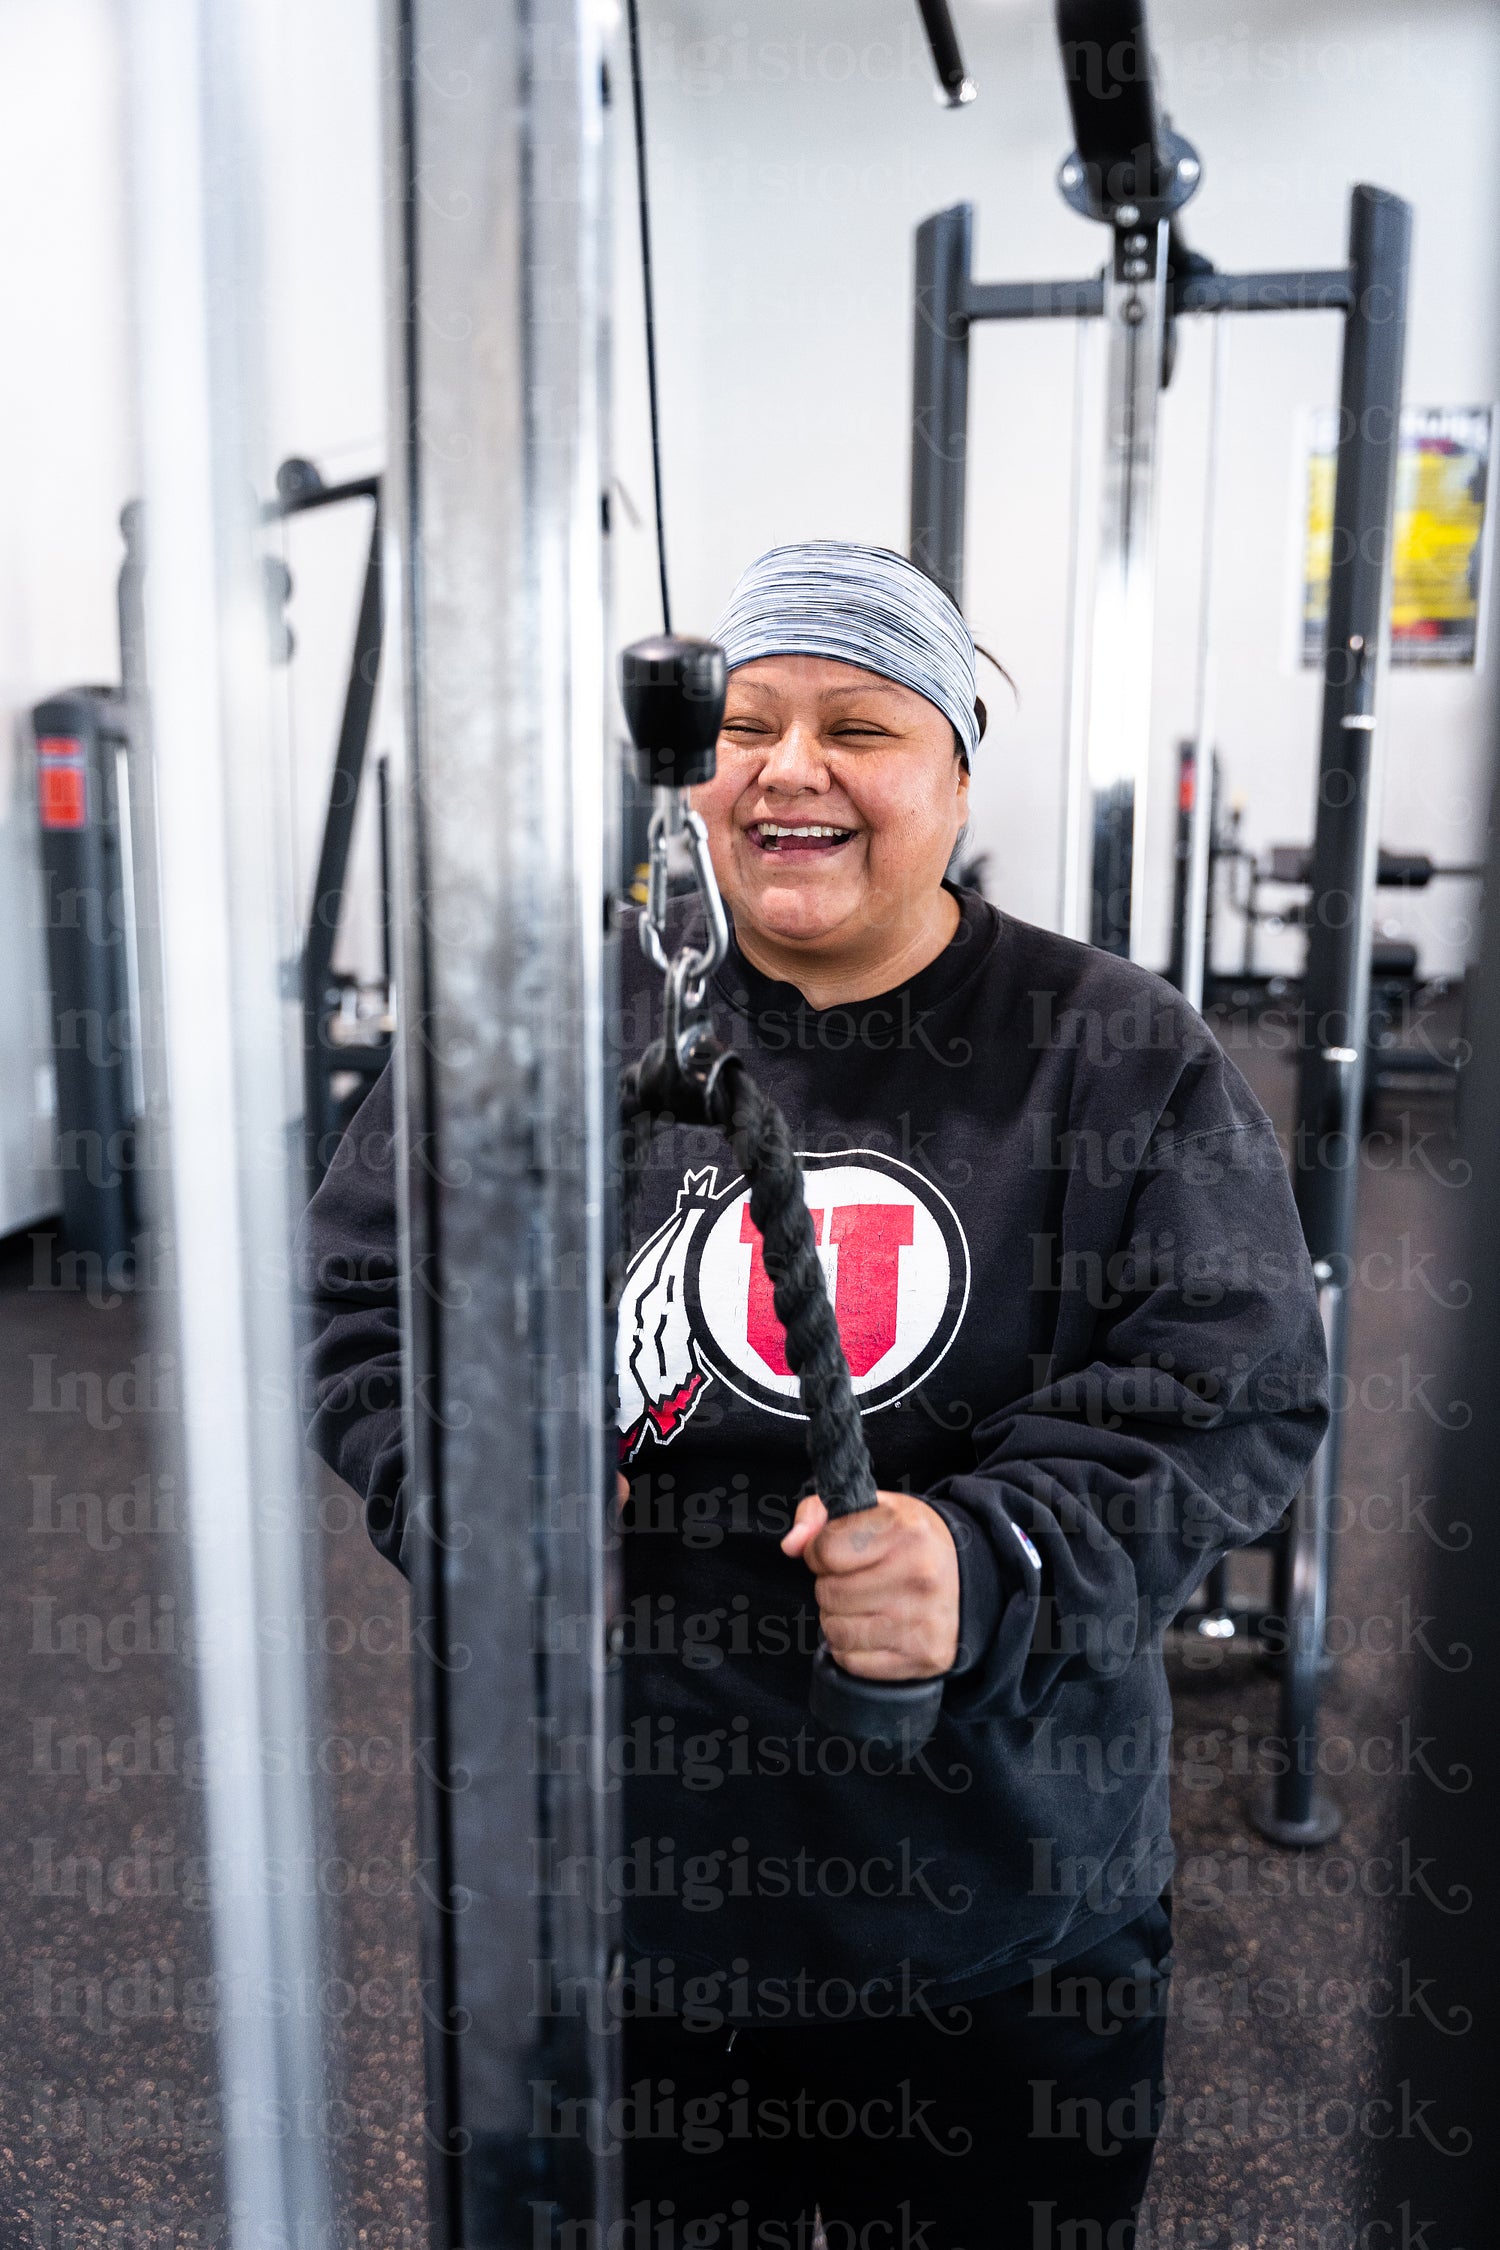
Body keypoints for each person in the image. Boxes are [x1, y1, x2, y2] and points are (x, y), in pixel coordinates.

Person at [299, 541, 1329, 2247]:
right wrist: (464, 1476)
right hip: (618, 1899)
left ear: (956, 771)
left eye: (860, 726)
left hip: (996, 1903)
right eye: (752, 726)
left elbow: (1230, 1390)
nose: (792, 767)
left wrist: (992, 1557)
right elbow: (363, 1298)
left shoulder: (1115, 1050)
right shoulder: (545, 1026)